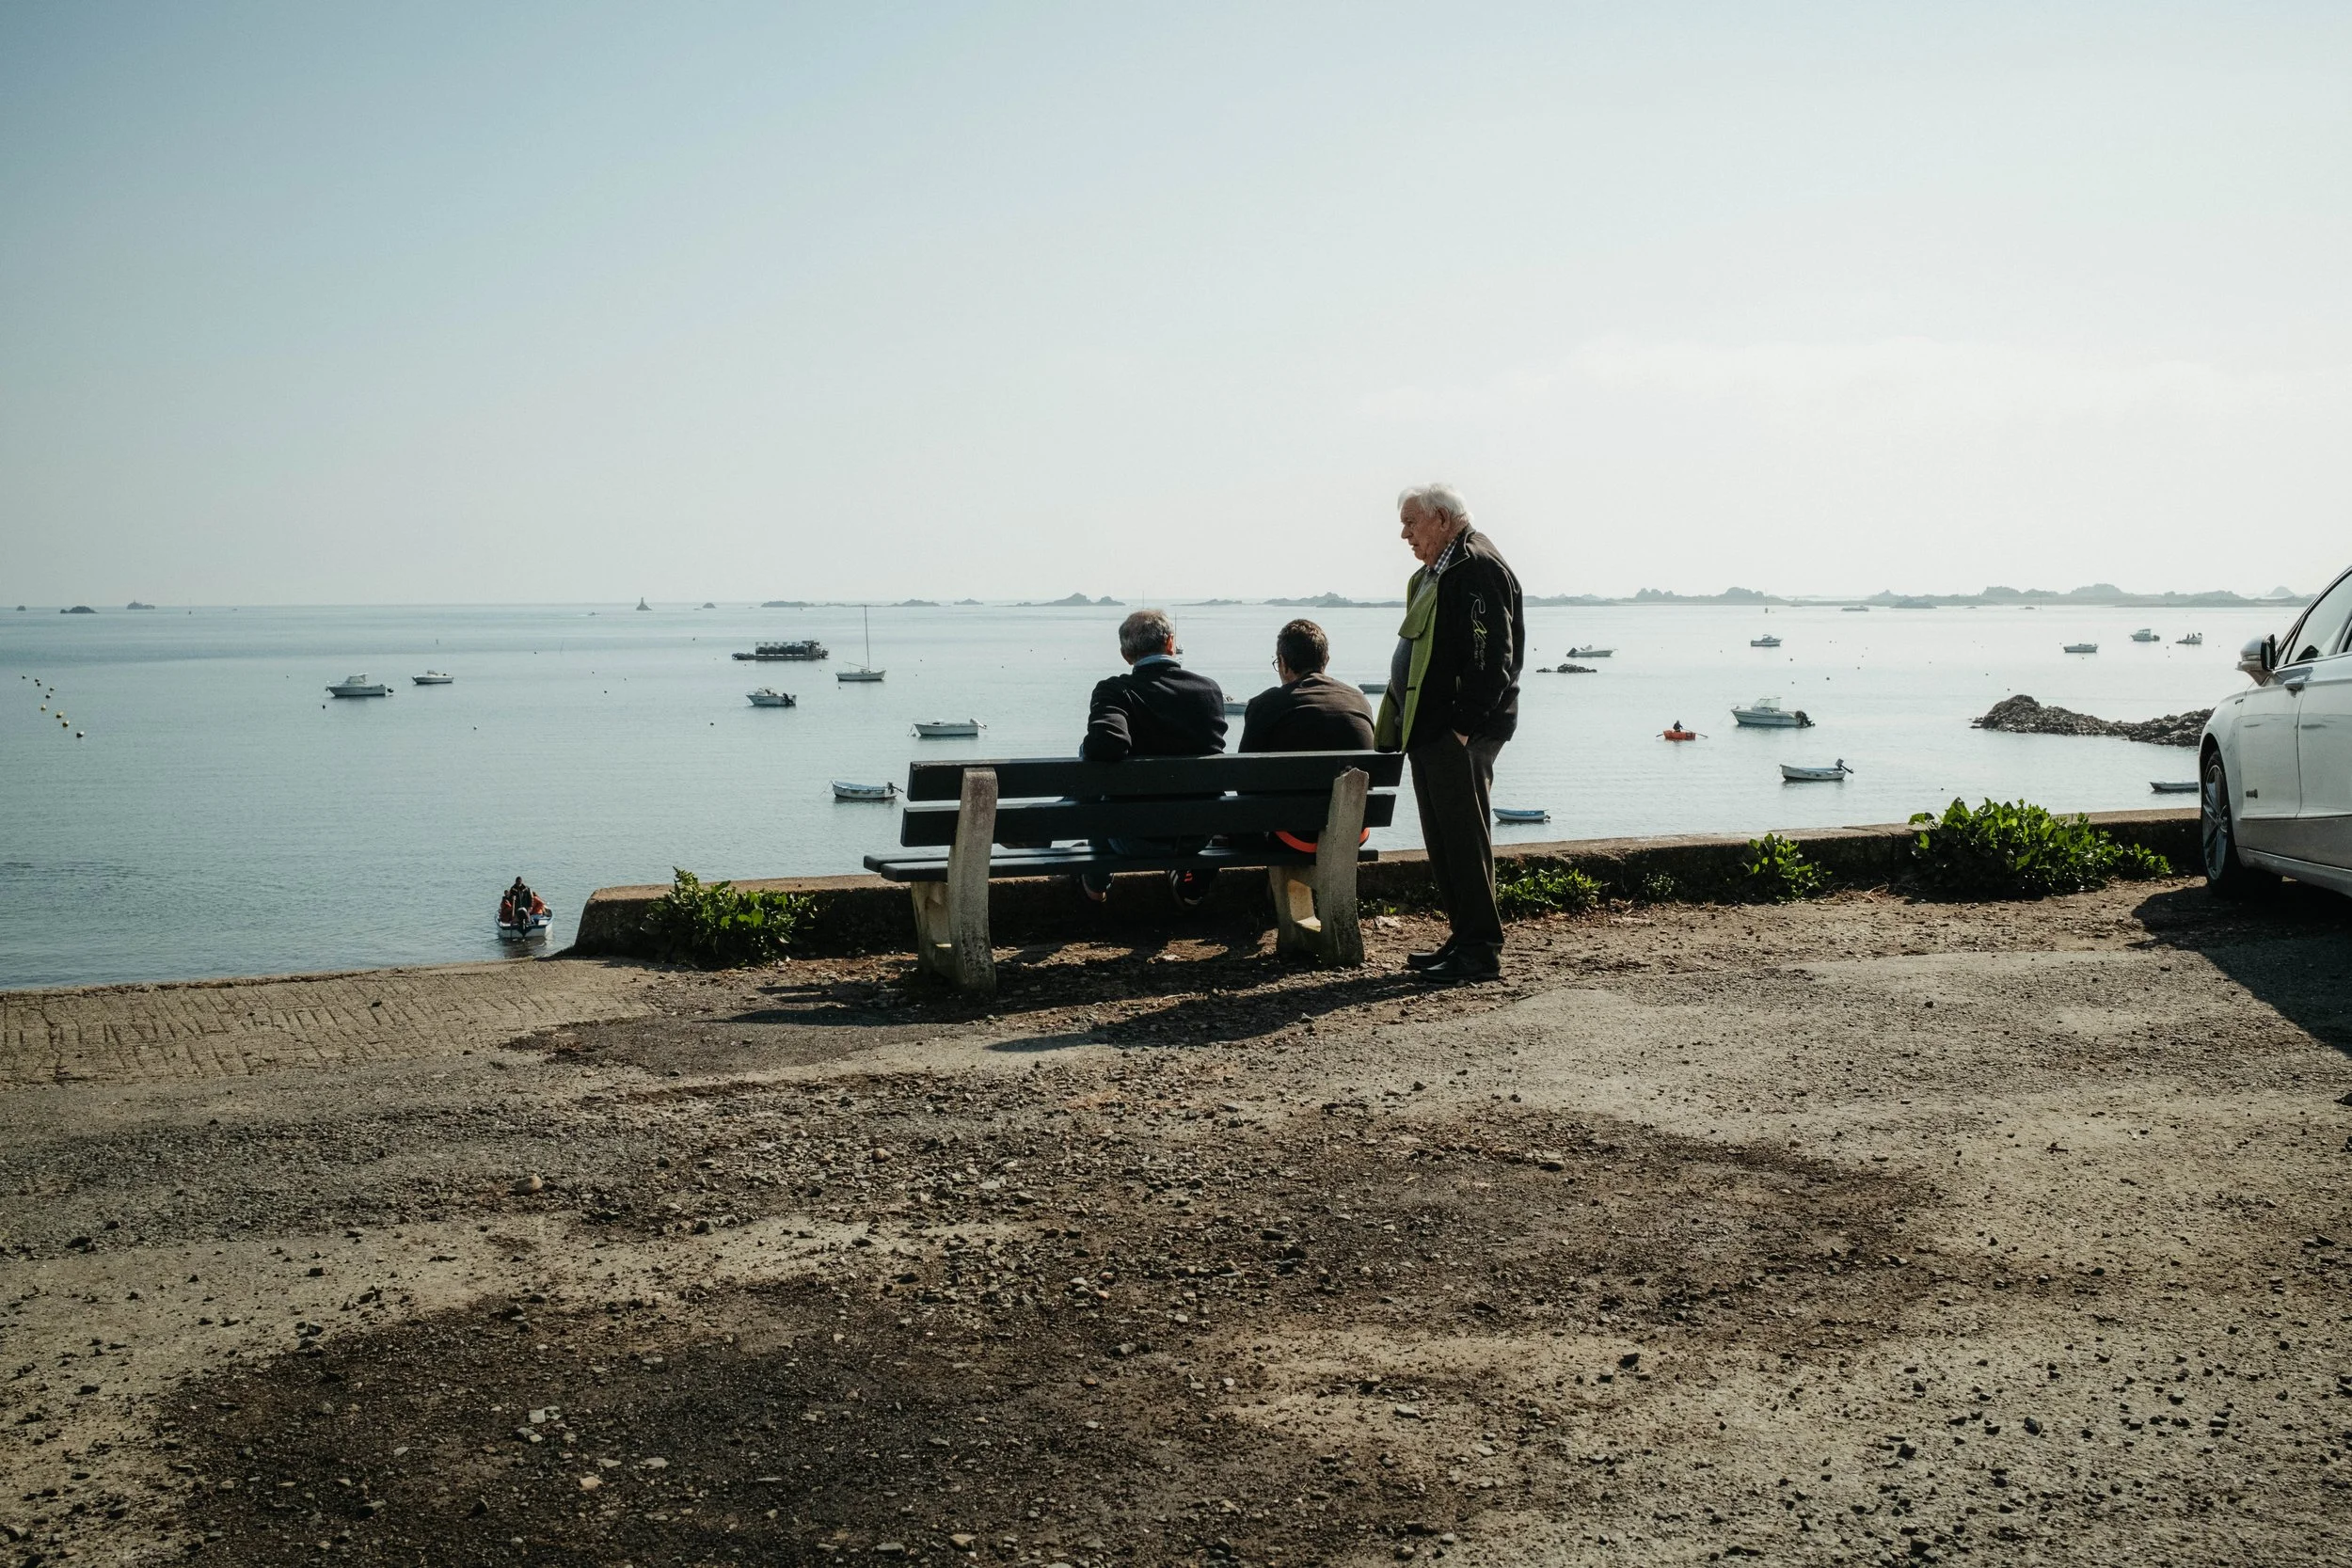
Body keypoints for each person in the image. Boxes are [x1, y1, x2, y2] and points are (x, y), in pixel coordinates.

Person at [1373, 483, 1525, 981]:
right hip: (1432, 730)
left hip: (1458, 733)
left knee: (1464, 839)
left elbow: (1492, 659)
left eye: (1411, 523)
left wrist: (1462, 727)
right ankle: (1462, 939)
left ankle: (1480, 950)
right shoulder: (1440, 570)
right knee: (1444, 841)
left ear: (1442, 518)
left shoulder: (1476, 565)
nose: (1403, 534)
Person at [1077, 609, 1227, 905]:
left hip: (1134, 839)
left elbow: (1107, 745)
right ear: (1171, 643)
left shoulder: (1115, 691)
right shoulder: (1208, 690)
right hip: (1196, 835)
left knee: (1093, 768)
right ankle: (1187, 878)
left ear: (1125, 655)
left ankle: (1096, 883)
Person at [1239, 618, 1375, 851]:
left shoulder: (1267, 704)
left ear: (1282, 663)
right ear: (1326, 660)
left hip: (1295, 836)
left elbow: (1245, 781)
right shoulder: (1358, 700)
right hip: (1353, 831)